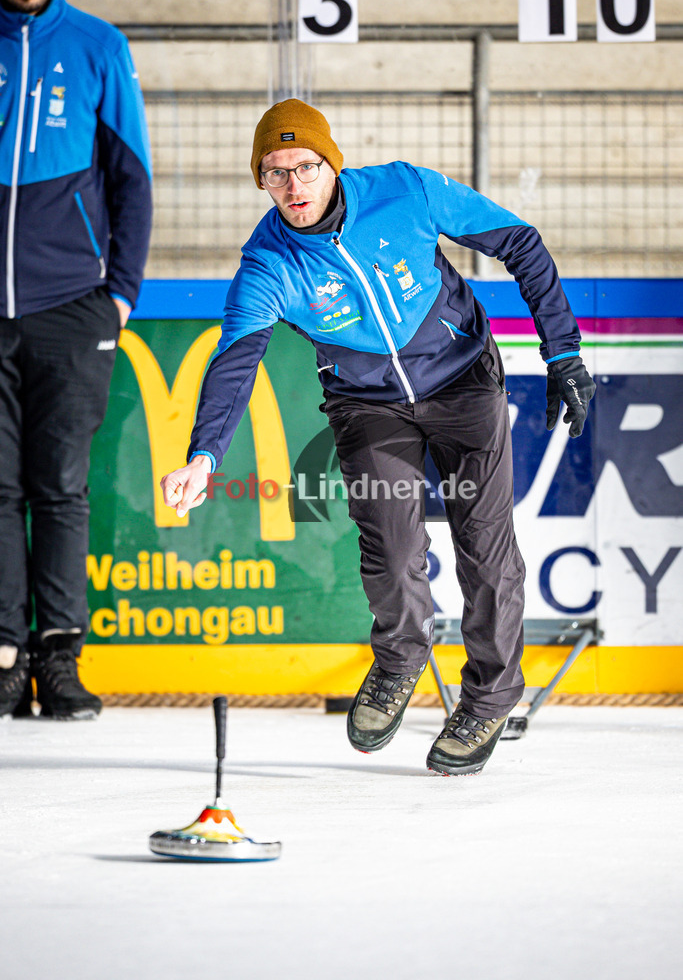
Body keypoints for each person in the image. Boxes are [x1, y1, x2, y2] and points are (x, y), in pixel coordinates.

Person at [160, 99, 595, 775]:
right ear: (261, 183)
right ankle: (398, 660)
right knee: (391, 549)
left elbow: (519, 241)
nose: (293, 186)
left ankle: (487, 699)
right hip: (366, 406)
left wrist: (561, 352)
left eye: (305, 166)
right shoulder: (267, 264)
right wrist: (203, 455)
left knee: (484, 548)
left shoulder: (406, 191)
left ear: (332, 164)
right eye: (275, 174)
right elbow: (235, 360)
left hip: (463, 383)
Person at [0, 0, 152, 720]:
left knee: (59, 488)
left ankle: (59, 659)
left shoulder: (99, 45)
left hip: (71, 304)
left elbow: (134, 179)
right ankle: (2, 657)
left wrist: (119, 295)